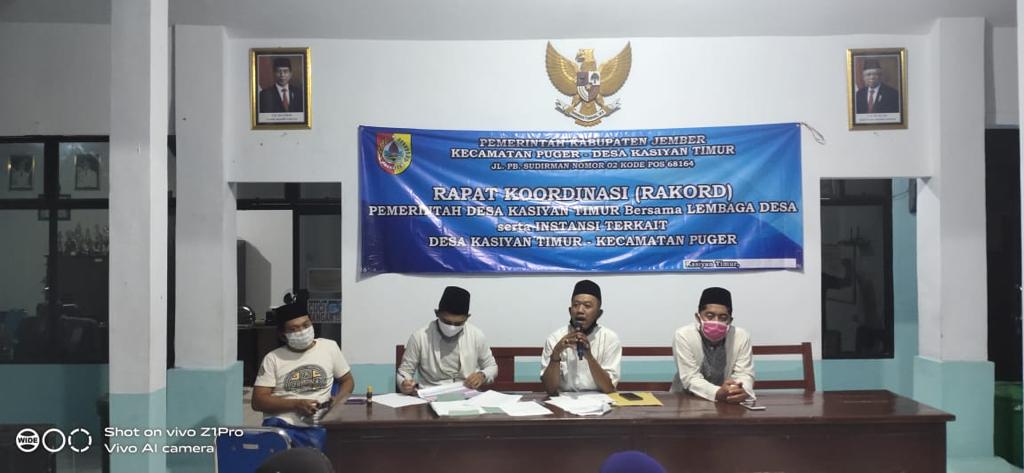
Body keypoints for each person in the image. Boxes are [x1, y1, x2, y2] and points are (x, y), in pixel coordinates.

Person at [252, 296, 354, 450]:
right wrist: (296, 404)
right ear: (282, 335)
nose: (302, 332)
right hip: (282, 425)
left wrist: (337, 401)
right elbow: (258, 401)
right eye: (294, 329)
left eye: (306, 325)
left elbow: (348, 381)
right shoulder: (273, 358)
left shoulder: (329, 347)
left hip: (318, 426)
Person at [396, 286, 498, 393]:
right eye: (447, 322)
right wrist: (404, 384)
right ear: (437, 313)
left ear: (467, 317)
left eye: (458, 323)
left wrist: (482, 375)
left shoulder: (476, 335)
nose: (452, 327)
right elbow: (404, 372)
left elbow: (491, 366)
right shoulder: (420, 337)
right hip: (431, 394)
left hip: (467, 394)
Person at [671, 287, 755, 403]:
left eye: (723, 317)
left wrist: (738, 390)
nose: (716, 321)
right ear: (698, 317)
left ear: (730, 320)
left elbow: (744, 374)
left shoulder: (741, 336)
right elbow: (690, 377)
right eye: (709, 316)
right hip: (687, 399)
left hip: (729, 401)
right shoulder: (683, 335)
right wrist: (717, 392)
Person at [541, 279, 621, 394]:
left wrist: (589, 356)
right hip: (564, 400)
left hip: (600, 400)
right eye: (575, 305)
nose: (580, 310)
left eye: (587, 306)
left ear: (598, 314)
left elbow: (609, 388)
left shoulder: (610, 338)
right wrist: (556, 353)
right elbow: (550, 389)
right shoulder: (555, 338)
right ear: (570, 311)